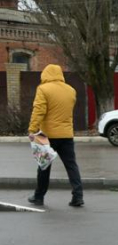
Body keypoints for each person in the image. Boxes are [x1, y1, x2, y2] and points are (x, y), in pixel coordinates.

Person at [27, 64, 83, 207]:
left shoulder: (43, 89)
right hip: (66, 134)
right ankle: (78, 196)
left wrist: (32, 129)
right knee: (71, 166)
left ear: (45, 74)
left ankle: (39, 197)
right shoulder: (70, 90)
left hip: (46, 135)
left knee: (44, 166)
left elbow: (39, 110)